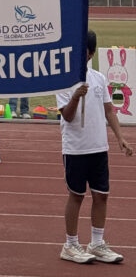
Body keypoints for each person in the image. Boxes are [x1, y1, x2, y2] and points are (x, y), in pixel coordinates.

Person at [56, 29, 133, 265]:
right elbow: (67, 116)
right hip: (76, 148)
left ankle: (97, 243)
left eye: (83, 52)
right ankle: (70, 245)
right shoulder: (63, 79)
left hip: (98, 147)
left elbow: (109, 110)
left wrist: (120, 137)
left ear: (90, 54)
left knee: (101, 195)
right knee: (76, 196)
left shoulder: (99, 78)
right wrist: (76, 97)